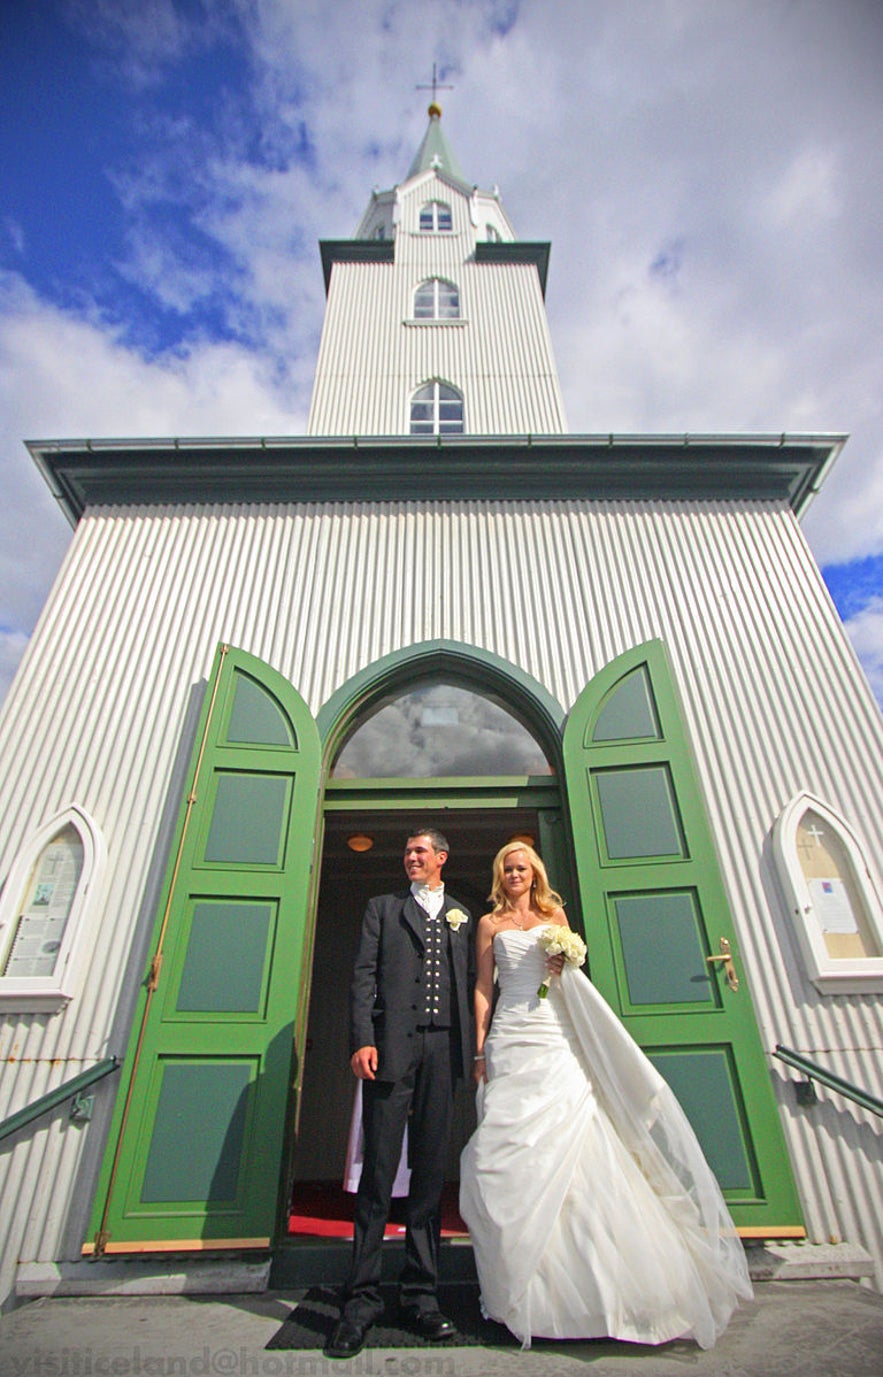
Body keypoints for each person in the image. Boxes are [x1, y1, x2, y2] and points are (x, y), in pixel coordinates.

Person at [460, 840, 753, 1351]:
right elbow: (485, 986)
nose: (514, 874)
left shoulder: (556, 915)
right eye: (507, 867)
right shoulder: (490, 925)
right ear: (499, 874)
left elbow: (575, 979)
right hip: (511, 1033)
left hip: (554, 1034)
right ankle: (523, 1284)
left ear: (535, 874)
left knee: (579, 1140)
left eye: (522, 867)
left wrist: (562, 967)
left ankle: (600, 1290)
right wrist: (481, 1045)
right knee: (497, 1156)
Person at [325, 827, 474, 1360]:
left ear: (441, 858)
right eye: (406, 851)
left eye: (420, 851)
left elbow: (471, 985)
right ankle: (360, 1301)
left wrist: (472, 1053)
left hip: (442, 1053)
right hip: (389, 1052)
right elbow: (362, 977)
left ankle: (422, 1296)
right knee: (380, 1176)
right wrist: (362, 1039)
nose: (410, 857)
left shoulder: (461, 914)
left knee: (432, 1177)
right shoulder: (382, 909)